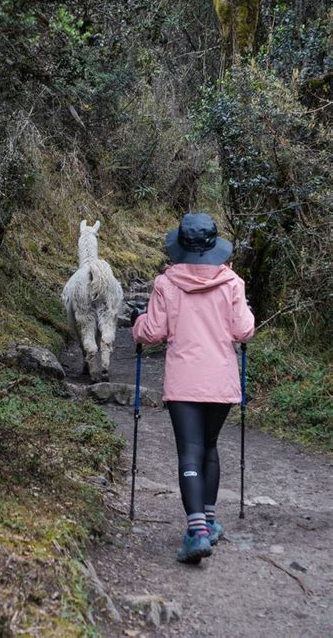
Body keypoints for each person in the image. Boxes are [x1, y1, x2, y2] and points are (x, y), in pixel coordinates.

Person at [131, 213, 255, 564]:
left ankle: (197, 531)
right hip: (221, 381)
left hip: (184, 382)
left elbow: (151, 331)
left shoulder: (166, 284)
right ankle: (210, 523)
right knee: (210, 449)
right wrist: (247, 311)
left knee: (189, 451)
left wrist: (136, 322)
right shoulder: (232, 282)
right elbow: (243, 330)